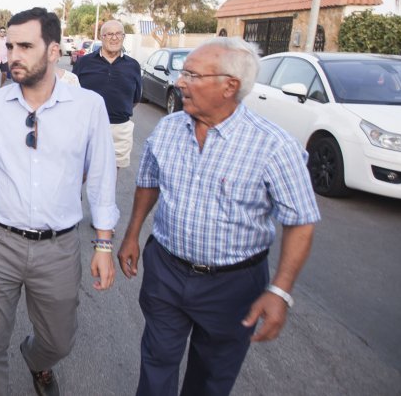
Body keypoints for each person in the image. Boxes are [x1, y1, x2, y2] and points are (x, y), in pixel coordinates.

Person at [117, 37, 320, 396]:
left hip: (233, 285)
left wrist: (281, 290)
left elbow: (300, 220)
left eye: (193, 75)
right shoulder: (167, 129)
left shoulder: (273, 146)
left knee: (211, 377)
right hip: (166, 270)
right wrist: (132, 234)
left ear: (230, 86)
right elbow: (148, 183)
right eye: (183, 73)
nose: (180, 81)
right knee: (157, 360)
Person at [0, 7, 119, 396]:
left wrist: (104, 244)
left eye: (26, 46)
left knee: (59, 340)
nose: (14, 55)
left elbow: (102, 178)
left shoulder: (88, 106)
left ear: (54, 50)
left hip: (58, 248)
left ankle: (37, 359)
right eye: (10, 46)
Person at [73, 19, 142, 172]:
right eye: (109, 34)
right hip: (87, 127)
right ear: (102, 37)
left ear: (123, 37)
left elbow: (136, 99)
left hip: (119, 130)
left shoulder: (133, 66)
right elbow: (72, 93)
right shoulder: (84, 63)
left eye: (118, 34)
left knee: (110, 177)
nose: (114, 37)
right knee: (80, 173)